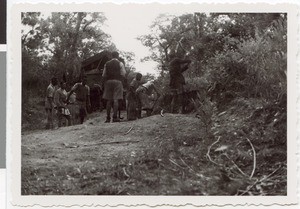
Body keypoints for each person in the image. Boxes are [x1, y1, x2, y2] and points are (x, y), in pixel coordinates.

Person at [102, 51, 126, 123]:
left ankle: (108, 118)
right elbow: (123, 74)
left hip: (108, 82)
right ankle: (115, 117)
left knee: (109, 100)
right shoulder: (120, 63)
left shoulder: (107, 63)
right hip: (117, 81)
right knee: (116, 100)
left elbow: (104, 75)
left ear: (111, 56)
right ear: (118, 56)